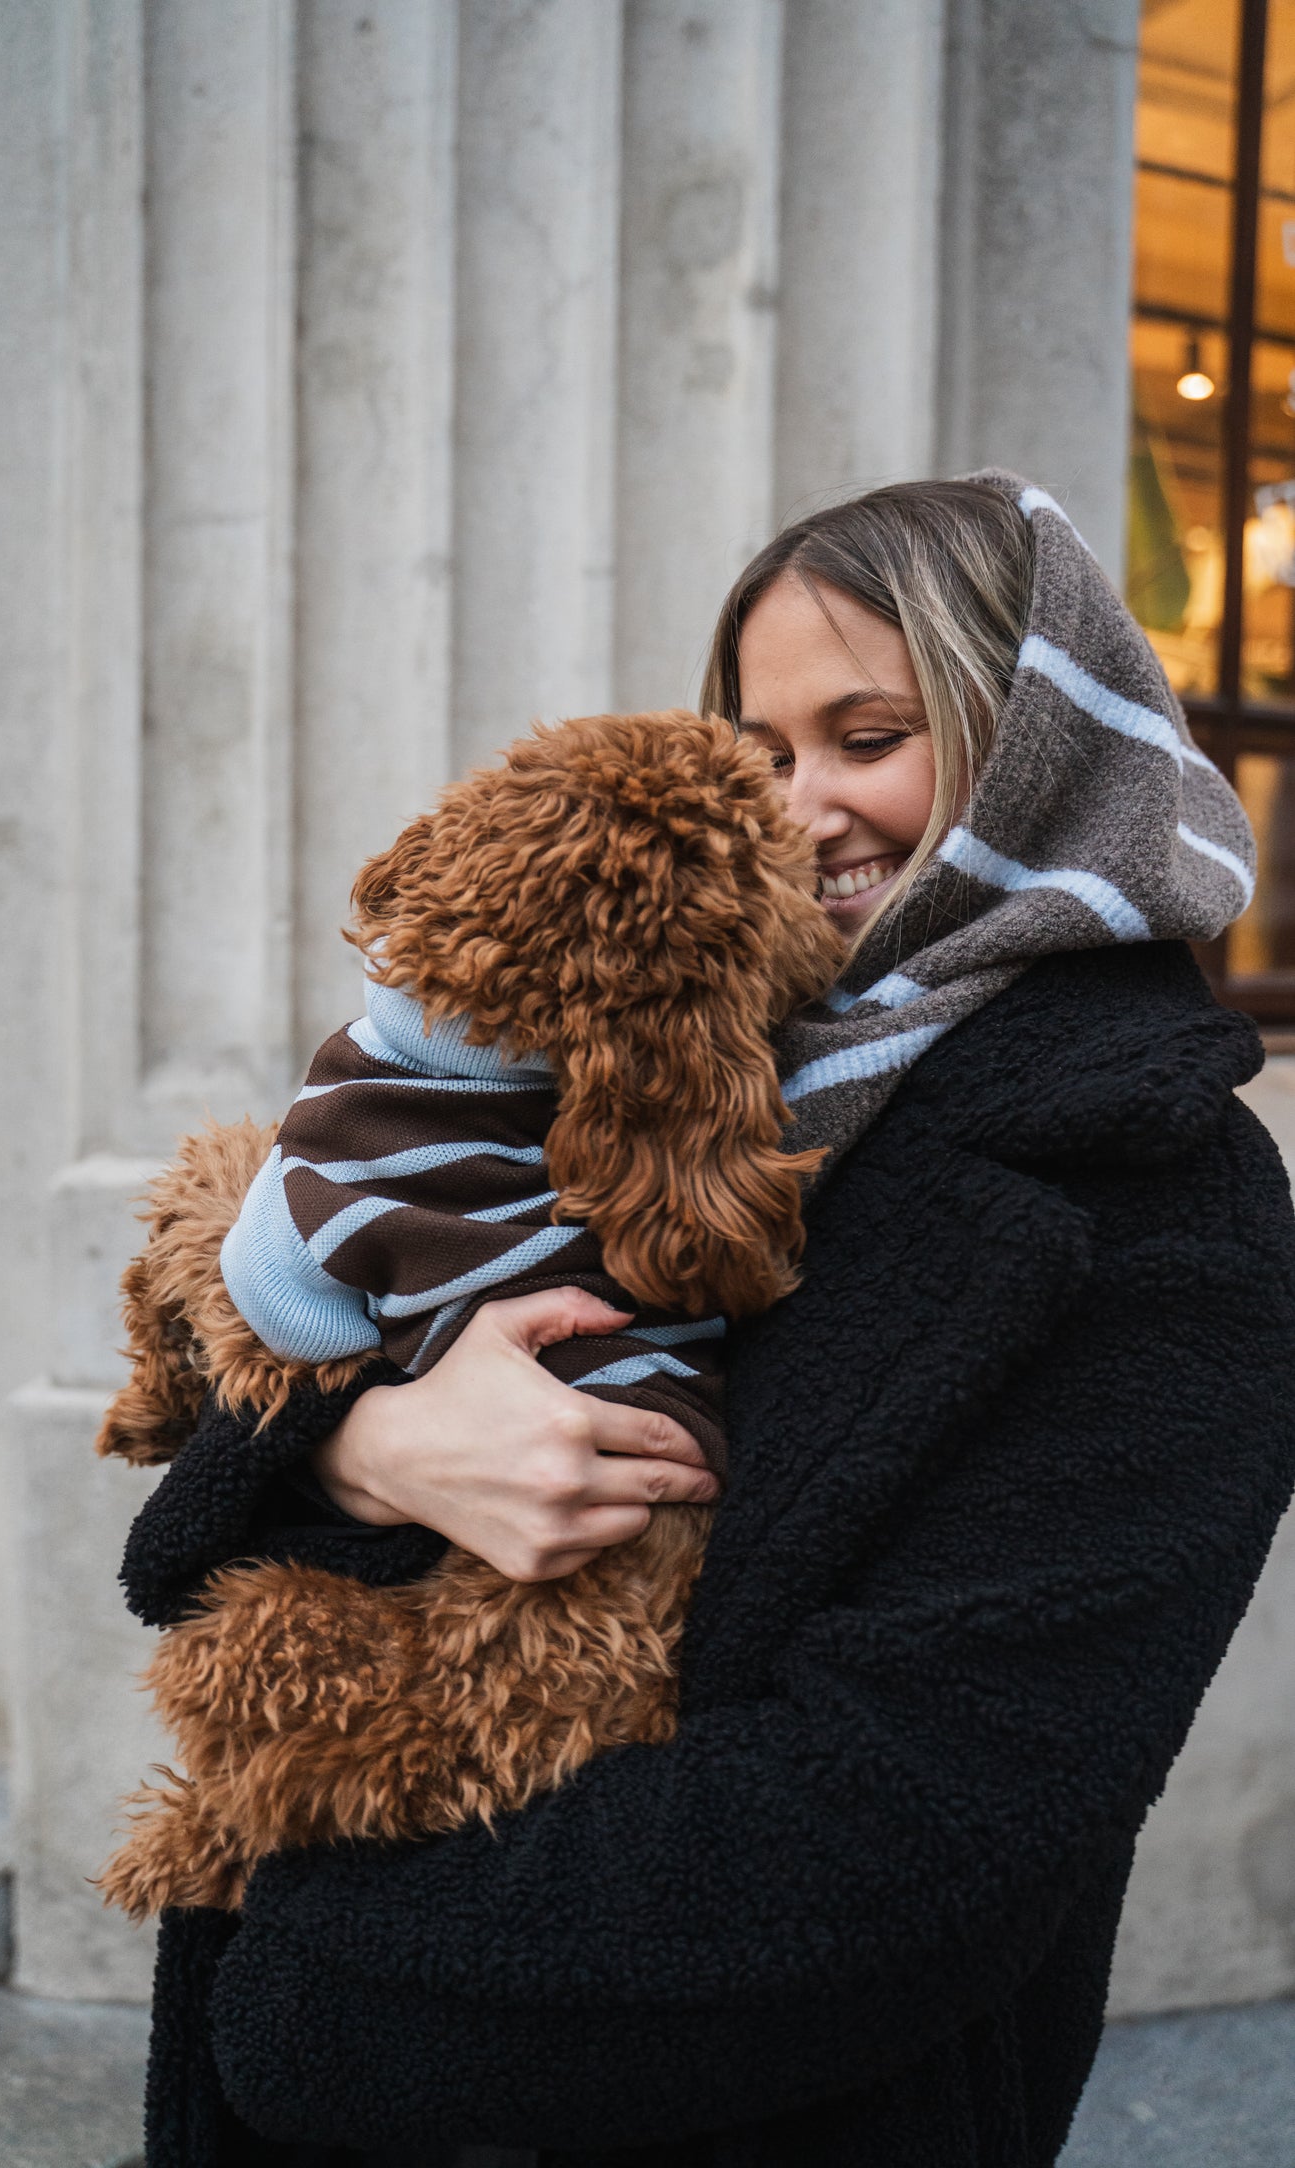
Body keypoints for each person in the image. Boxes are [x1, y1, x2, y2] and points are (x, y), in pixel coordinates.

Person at [121, 472, 1295, 2168]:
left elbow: (931, 1818)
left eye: (869, 733)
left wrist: (340, 1988)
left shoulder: (1154, 1193)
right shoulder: (645, 1054)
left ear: (1029, 747)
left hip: (708, 2086)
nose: (801, 808)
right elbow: (186, 1520)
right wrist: (373, 1445)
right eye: (759, 750)